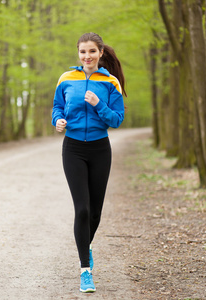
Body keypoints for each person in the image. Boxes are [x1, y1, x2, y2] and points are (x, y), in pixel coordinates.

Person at [51, 32, 127, 293]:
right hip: (72, 148)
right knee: (82, 209)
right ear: (78, 53)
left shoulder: (110, 82)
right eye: (83, 52)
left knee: (95, 212)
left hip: (99, 150)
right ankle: (86, 269)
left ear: (101, 53)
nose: (87, 56)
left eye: (92, 51)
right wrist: (58, 121)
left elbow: (116, 119)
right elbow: (57, 107)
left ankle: (86, 245)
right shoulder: (66, 79)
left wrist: (98, 105)